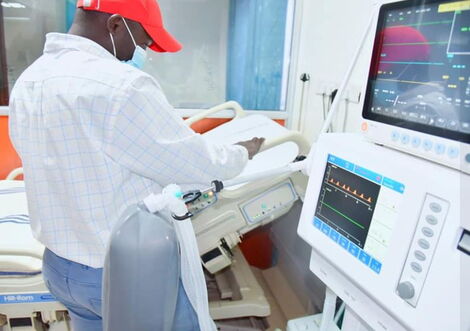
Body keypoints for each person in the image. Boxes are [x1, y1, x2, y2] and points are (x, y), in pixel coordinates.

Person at [8, 0, 264, 330]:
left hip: (60, 270)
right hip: (121, 270)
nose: (141, 53)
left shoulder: (31, 79)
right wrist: (241, 152)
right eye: (142, 42)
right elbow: (196, 164)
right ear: (115, 24)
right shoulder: (122, 86)